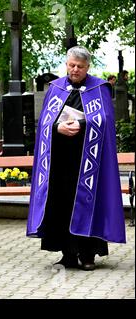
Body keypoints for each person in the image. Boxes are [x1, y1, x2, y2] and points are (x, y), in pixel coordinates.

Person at [27, 46, 126, 271]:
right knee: (61, 204)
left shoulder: (99, 88)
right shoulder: (56, 88)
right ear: (66, 64)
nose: (75, 70)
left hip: (89, 162)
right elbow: (44, 123)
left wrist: (81, 125)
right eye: (71, 65)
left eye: (80, 67)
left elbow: (105, 121)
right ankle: (68, 254)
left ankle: (88, 254)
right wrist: (56, 127)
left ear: (87, 67)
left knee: (88, 204)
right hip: (61, 162)